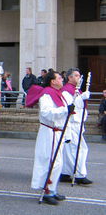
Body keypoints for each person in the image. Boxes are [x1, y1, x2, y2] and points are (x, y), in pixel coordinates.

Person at [29, 70, 74, 205]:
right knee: (50, 161)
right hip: (49, 132)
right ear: (53, 81)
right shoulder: (46, 95)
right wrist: (65, 110)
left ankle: (52, 188)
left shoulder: (59, 94)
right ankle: (47, 190)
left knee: (58, 162)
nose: (62, 80)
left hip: (58, 131)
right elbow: (46, 113)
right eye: (60, 78)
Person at [60, 68, 92, 185]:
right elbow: (70, 105)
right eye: (76, 76)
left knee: (71, 149)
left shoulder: (75, 89)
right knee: (77, 149)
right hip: (72, 123)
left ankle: (65, 172)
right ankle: (79, 174)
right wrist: (81, 98)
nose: (79, 78)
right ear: (70, 77)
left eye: (79, 76)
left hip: (77, 123)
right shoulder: (66, 90)